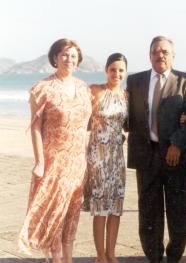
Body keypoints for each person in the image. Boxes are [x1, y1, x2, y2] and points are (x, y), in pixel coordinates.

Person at [125, 36, 186, 263]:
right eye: (156, 51)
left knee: (178, 209)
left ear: (173, 56)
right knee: (148, 210)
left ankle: (174, 255)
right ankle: (154, 256)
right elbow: (126, 113)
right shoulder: (135, 81)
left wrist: (178, 144)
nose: (161, 55)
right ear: (150, 55)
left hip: (174, 156)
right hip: (145, 155)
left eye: (165, 52)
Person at [18, 38, 92, 263]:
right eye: (64, 54)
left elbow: (88, 125)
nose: (69, 59)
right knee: (54, 217)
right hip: (53, 163)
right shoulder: (43, 88)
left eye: (73, 55)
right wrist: (39, 162)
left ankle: (67, 260)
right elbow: (36, 128)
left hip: (78, 164)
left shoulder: (84, 88)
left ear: (78, 60)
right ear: (55, 58)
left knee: (71, 217)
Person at [83, 53, 128, 263]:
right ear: (106, 70)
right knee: (101, 208)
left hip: (117, 157)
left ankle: (112, 254)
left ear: (125, 72)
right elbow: (82, 119)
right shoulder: (95, 91)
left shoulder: (126, 95)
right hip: (98, 156)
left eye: (121, 70)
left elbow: (127, 124)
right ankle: (100, 256)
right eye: (113, 69)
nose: (116, 74)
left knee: (116, 207)